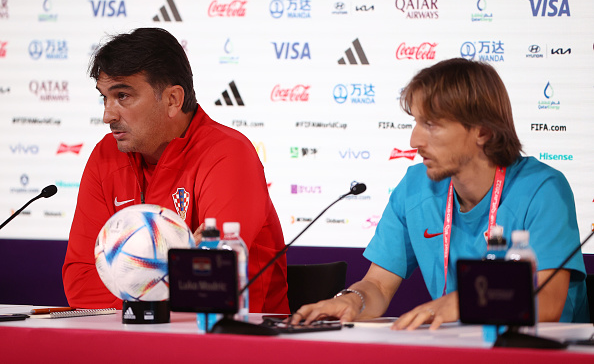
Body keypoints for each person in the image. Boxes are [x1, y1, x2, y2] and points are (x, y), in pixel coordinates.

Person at [292, 58, 589, 329]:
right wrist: (353, 300)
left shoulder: (543, 189)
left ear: (482, 131)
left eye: (431, 125)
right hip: (456, 349)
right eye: (416, 122)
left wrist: (462, 302)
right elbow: (379, 286)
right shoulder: (414, 186)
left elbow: (548, 303)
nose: (414, 139)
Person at [62, 27, 289, 314]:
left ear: (172, 99)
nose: (108, 114)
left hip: (232, 343)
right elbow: (81, 280)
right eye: (104, 97)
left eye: (123, 96)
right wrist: (151, 305)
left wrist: (137, 305)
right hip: (130, 343)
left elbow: (209, 282)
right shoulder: (105, 155)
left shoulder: (228, 154)